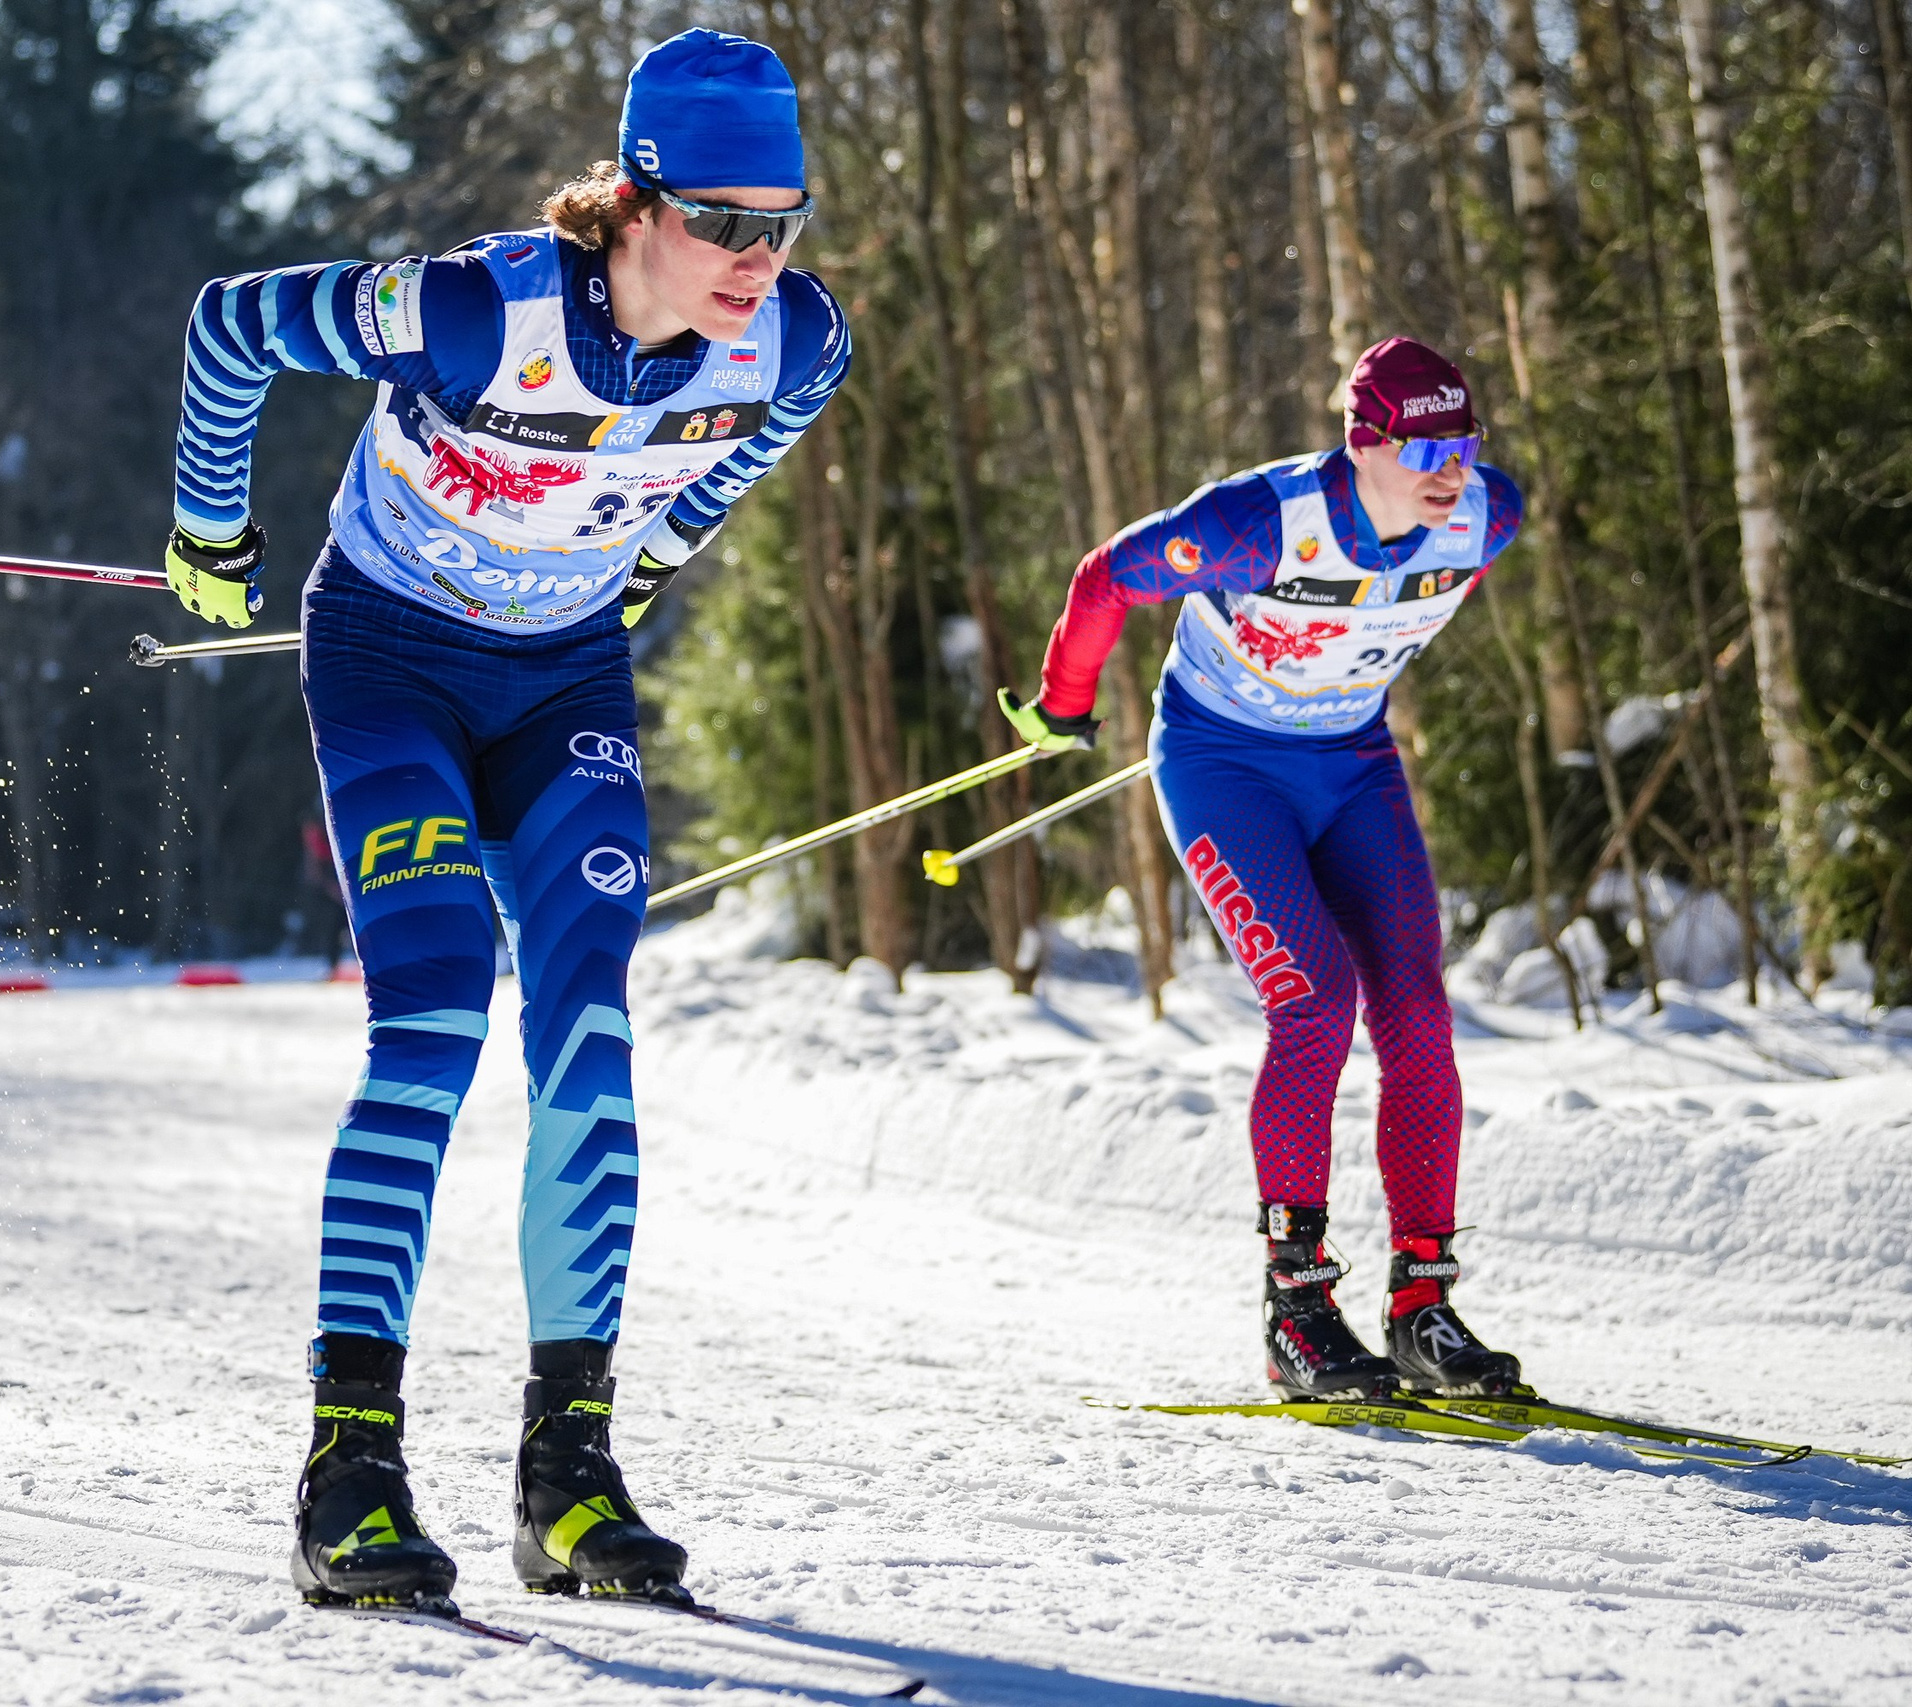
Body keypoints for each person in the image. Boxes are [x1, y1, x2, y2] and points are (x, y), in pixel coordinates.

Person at [161, 31, 848, 1612]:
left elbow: (723, 470)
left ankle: (569, 1473)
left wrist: (645, 556)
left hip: (562, 683)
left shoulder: (797, 342)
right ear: (636, 199)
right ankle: (349, 1470)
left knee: (590, 1024)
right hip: (390, 661)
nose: (759, 258)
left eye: (785, 220)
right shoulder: (481, 309)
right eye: (725, 221)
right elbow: (231, 330)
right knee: (429, 1022)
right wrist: (212, 526)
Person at [1002, 339, 1528, 1402]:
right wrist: (1065, 703)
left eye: (1462, 443)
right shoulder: (1258, 524)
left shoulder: (1487, 515)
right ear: (1361, 443)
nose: (1449, 471)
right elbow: (1105, 578)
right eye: (1424, 446)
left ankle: (1422, 1306)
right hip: (1222, 763)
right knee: (1314, 1005)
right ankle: (1297, 1310)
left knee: (1418, 1015)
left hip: (1352, 766)